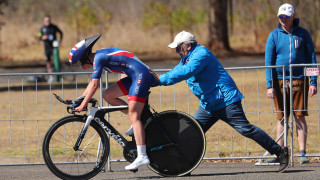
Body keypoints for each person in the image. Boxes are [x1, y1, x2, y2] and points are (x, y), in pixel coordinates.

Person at [148, 30, 289, 172]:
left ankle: (280, 152)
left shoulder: (201, 54)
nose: (177, 51)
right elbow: (176, 71)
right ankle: (184, 166)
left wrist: (160, 79)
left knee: (246, 129)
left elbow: (187, 71)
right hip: (209, 105)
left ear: (188, 46)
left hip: (226, 101)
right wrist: (157, 81)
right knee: (190, 134)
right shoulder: (186, 58)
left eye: (178, 48)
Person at [68, 35, 155, 170]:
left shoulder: (99, 58)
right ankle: (136, 120)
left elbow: (95, 85)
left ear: (85, 58)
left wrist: (82, 105)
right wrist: (80, 99)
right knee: (107, 95)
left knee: (134, 116)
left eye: (81, 64)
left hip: (140, 75)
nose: (83, 68)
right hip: (134, 75)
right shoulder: (99, 57)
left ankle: (142, 156)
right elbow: (92, 83)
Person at [265, 3, 317, 164]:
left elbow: (311, 59)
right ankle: (279, 153)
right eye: (280, 17)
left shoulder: (303, 34)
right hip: (279, 81)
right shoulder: (274, 35)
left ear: (293, 16)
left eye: (286, 17)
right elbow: (269, 61)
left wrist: (313, 82)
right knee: (282, 118)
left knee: (299, 115)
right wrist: (270, 85)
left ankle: (302, 152)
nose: (283, 20)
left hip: (299, 80)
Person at [38, 15, 63, 83]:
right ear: (44, 21)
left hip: (54, 48)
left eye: (48, 20)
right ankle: (51, 76)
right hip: (46, 48)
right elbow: (39, 36)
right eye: (46, 21)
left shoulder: (53, 27)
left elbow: (61, 33)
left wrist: (60, 41)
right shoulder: (42, 28)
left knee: (56, 62)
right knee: (48, 63)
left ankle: (59, 76)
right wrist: (42, 37)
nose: (47, 22)